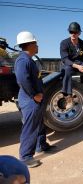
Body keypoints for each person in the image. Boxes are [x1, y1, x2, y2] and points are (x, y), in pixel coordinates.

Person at [14, 31, 56, 168]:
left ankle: (41, 145)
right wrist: (34, 95)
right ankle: (25, 157)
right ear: (30, 44)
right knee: (30, 127)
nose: (37, 46)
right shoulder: (23, 60)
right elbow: (22, 80)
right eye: (35, 43)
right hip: (30, 100)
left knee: (39, 124)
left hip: (33, 99)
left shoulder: (28, 59)